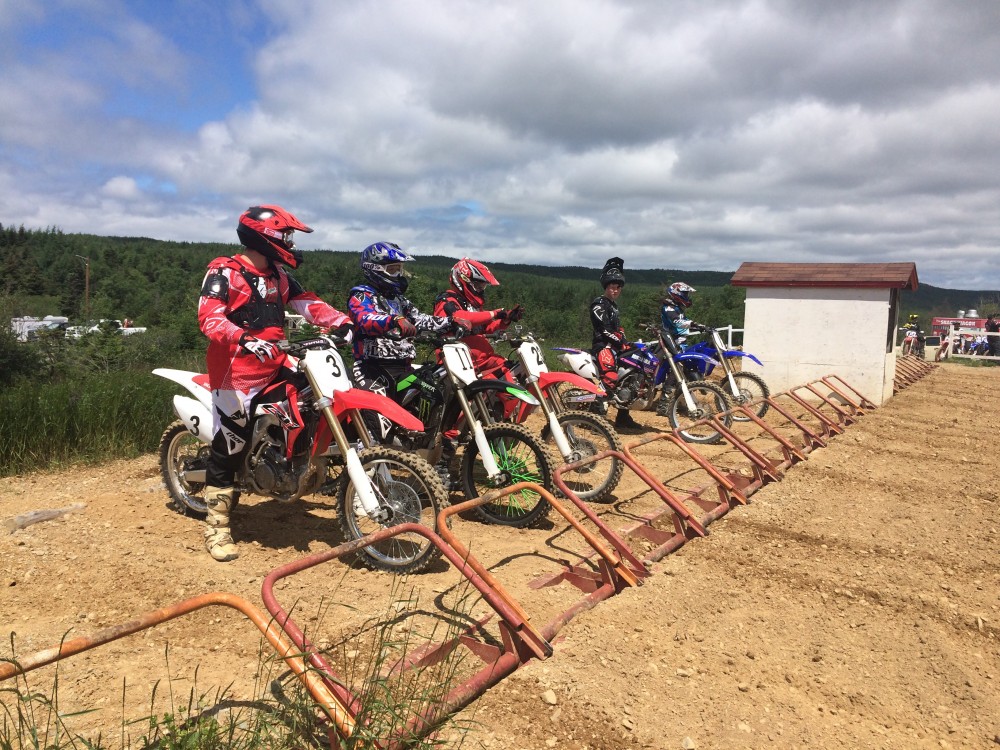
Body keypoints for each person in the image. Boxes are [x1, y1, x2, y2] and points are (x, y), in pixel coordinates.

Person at [198, 205, 352, 562]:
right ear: (263, 236)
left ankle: (289, 464)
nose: (290, 242)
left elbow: (308, 303)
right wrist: (244, 338)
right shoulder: (225, 271)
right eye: (286, 235)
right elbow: (209, 318)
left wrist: (342, 322)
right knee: (231, 442)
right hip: (234, 372)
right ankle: (217, 526)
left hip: (274, 362)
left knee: (313, 402)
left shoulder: (278, 275)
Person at [348, 241, 455, 414]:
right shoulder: (362, 295)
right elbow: (365, 319)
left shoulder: (398, 299)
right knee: (378, 417)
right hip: (372, 370)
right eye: (392, 270)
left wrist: (451, 321)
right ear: (374, 269)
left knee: (431, 392)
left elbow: (419, 319)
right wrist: (394, 320)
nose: (398, 274)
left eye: (399, 269)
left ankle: (423, 432)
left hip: (402, 372)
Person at [433, 257, 524, 383]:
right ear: (463, 280)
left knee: (519, 371)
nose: (481, 290)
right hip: (459, 364)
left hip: (482, 361)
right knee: (503, 386)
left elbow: (486, 327)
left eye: (483, 286)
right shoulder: (446, 300)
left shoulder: (472, 306)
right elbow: (460, 317)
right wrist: (494, 313)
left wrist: (506, 320)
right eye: (478, 285)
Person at [590, 257, 642, 431]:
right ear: (606, 286)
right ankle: (595, 418)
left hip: (615, 346)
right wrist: (620, 342)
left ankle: (623, 417)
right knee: (610, 378)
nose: (615, 290)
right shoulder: (599, 304)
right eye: (612, 286)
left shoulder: (614, 306)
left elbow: (618, 328)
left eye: (618, 287)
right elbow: (604, 329)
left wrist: (626, 342)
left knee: (630, 377)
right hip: (603, 346)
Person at [656, 281, 698, 416]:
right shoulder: (668, 307)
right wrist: (693, 324)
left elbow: (683, 323)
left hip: (679, 342)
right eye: (685, 294)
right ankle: (663, 402)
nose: (687, 296)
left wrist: (700, 327)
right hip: (669, 342)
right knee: (677, 368)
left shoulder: (677, 308)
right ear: (676, 293)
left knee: (683, 368)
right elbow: (676, 322)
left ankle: (680, 400)